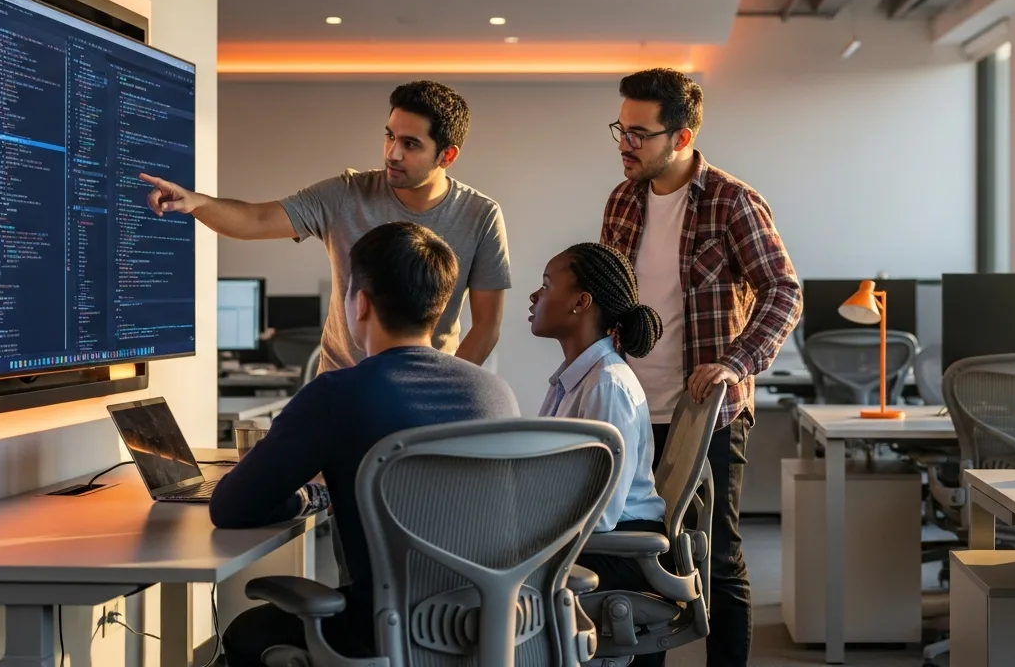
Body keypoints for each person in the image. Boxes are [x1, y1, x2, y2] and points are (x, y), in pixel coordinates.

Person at [211, 221, 520, 666]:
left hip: (384, 634)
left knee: (244, 633)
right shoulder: (495, 393)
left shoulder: (336, 394)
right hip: (492, 629)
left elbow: (232, 508)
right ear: (439, 306)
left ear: (359, 304)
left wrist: (302, 498)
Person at [600, 68, 802, 665]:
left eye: (639, 133)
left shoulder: (731, 201)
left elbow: (783, 292)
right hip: (632, 409)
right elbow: (615, 299)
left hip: (704, 414)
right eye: (621, 128)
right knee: (639, 556)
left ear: (680, 137)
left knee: (717, 555)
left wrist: (736, 364)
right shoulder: (621, 200)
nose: (624, 144)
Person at [140, 81, 509, 372]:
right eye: (390, 136)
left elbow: (486, 326)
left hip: (426, 393)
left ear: (448, 155)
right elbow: (255, 219)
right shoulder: (345, 193)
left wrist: (442, 389)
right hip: (341, 391)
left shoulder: (481, 216)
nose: (392, 153)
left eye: (410, 144)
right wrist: (196, 202)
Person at [528, 243, 669, 662]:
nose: (535, 297)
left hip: (616, 551)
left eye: (546, 285)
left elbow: (602, 514)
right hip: (595, 541)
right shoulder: (576, 380)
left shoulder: (607, 384)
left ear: (580, 302)